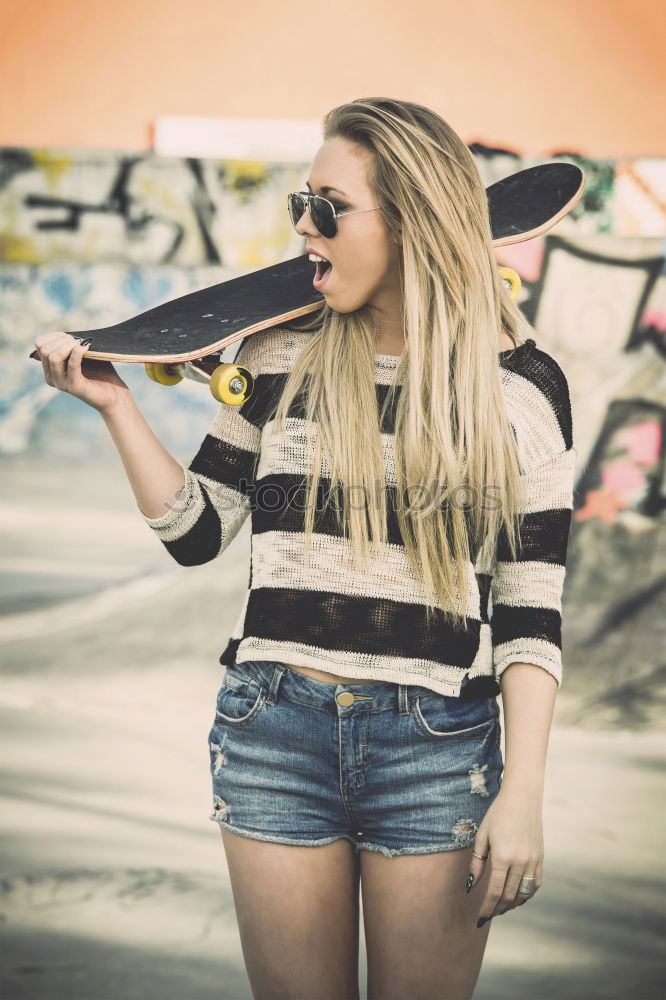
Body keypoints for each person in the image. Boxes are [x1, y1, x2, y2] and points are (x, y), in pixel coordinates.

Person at [34, 97, 576, 1000]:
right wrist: (118, 409)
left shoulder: (519, 388)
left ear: (412, 222)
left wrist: (522, 792)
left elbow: (530, 613)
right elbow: (197, 530)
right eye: (301, 201)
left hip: (435, 748)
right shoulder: (281, 354)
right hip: (271, 730)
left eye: (329, 206)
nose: (302, 226)